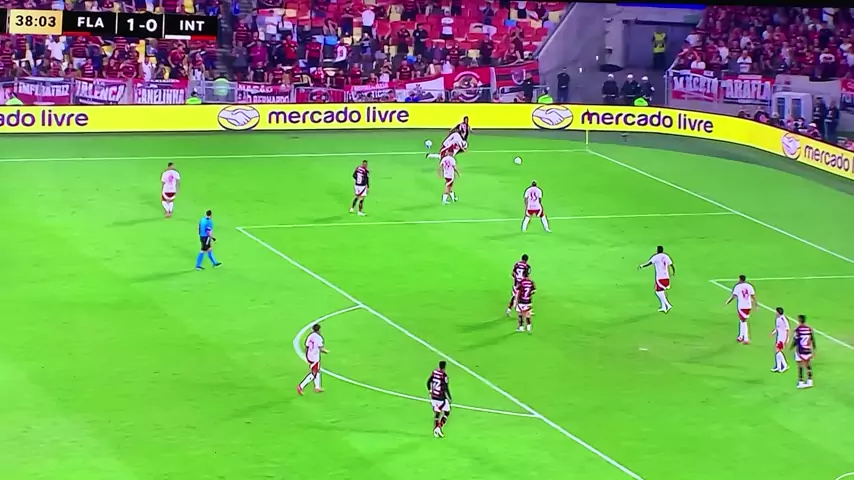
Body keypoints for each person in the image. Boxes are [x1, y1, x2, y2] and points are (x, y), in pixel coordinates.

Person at [638, 245, 674, 313]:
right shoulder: (666, 256)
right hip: (666, 277)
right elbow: (671, 264)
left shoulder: (656, 257)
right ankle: (663, 307)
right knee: (661, 292)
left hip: (660, 278)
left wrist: (642, 266)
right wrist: (673, 272)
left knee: (658, 292)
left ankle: (668, 305)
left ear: (657, 250)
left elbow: (649, 263)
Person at [297, 323, 328, 395]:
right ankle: (301, 386)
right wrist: (326, 351)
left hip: (309, 356)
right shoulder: (319, 338)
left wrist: (307, 355)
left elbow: (307, 346)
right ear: (319, 330)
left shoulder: (310, 336)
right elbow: (321, 348)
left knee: (317, 371)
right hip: (315, 358)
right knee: (314, 373)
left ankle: (317, 387)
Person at [725, 275, 755, 344]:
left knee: (744, 321)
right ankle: (740, 336)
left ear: (740, 279)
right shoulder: (749, 286)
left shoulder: (737, 286)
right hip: (748, 306)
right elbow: (753, 296)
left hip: (741, 306)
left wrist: (727, 302)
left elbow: (734, 296)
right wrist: (756, 304)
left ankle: (746, 338)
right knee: (742, 320)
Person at [427, 361, 452, 437]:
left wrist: (430, 390)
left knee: (437, 413)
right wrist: (449, 397)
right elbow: (446, 388)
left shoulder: (434, 373)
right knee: (447, 412)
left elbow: (428, 382)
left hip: (433, 397)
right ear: (444, 367)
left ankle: (436, 430)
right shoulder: (444, 375)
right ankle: (438, 428)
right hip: (441, 398)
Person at [791, 314, 815, 389]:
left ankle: (801, 381)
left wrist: (791, 347)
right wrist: (814, 348)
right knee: (808, 364)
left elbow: (796, 340)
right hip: (807, 349)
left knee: (800, 365)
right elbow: (812, 339)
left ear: (799, 320)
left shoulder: (797, 329)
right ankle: (810, 380)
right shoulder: (809, 329)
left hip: (800, 350)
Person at [770, 307, 790, 373]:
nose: (775, 313)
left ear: (778, 312)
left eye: (776, 312)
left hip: (782, 338)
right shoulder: (778, 319)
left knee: (777, 350)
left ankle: (785, 365)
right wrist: (773, 333)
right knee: (777, 350)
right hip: (779, 337)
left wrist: (786, 340)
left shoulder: (783, 319)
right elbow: (777, 328)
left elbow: (788, 330)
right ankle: (778, 367)